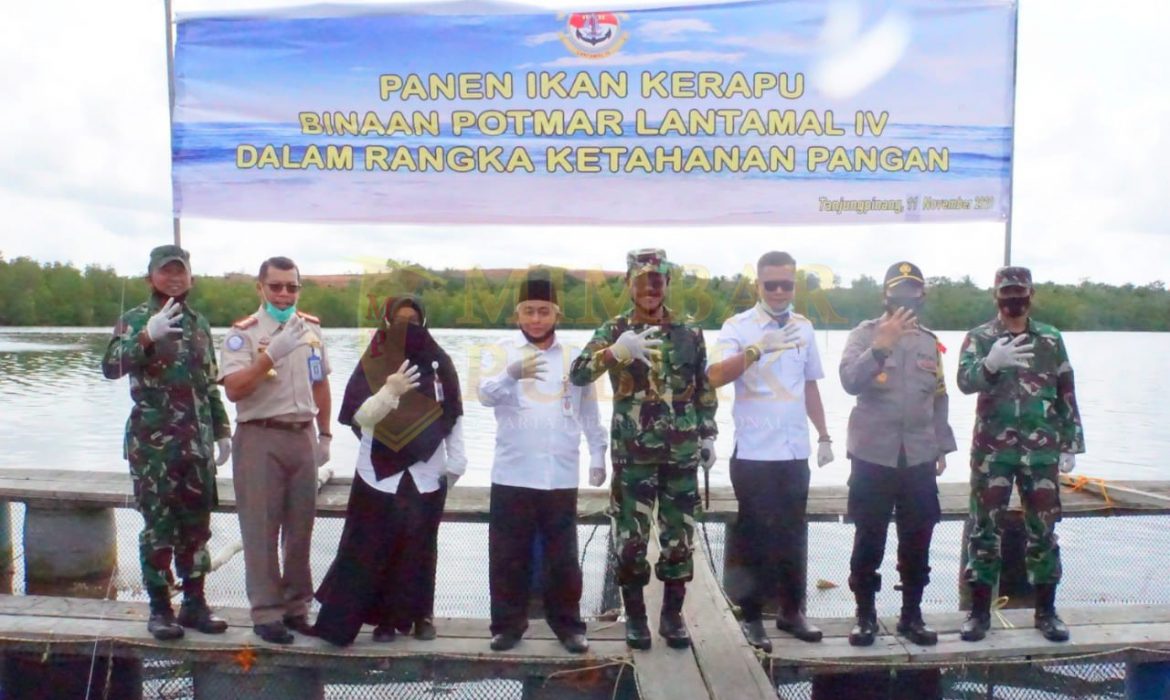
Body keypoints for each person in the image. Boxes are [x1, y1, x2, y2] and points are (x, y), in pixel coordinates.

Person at [569, 248, 718, 650]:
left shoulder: (690, 332)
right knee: (630, 541)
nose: (650, 289)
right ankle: (635, 617)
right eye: (642, 281)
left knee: (679, 540)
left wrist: (708, 435)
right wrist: (616, 351)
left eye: (657, 281)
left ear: (667, 284)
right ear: (629, 285)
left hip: (681, 455)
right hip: (632, 454)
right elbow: (579, 373)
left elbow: (703, 389)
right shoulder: (615, 328)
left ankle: (672, 617)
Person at [313, 295, 467, 647]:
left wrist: (456, 462)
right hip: (379, 470)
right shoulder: (375, 360)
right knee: (369, 546)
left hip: (427, 470)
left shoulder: (439, 362)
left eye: (414, 321)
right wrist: (388, 392)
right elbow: (360, 417)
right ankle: (380, 619)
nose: (407, 328)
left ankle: (419, 615)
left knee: (421, 545)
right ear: (386, 322)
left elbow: (453, 412)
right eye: (399, 321)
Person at [101, 244, 231, 640]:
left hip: (197, 443)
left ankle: (195, 603)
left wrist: (222, 429)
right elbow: (110, 367)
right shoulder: (135, 319)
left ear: (190, 277)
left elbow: (209, 383)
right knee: (158, 527)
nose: (174, 278)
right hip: (153, 444)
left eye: (181, 271)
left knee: (197, 526)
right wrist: (145, 337)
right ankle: (160, 608)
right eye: (166, 271)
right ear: (151, 277)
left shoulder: (200, 324)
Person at [705, 250, 833, 652]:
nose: (779, 291)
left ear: (795, 285)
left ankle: (791, 611)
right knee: (754, 536)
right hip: (754, 452)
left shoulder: (805, 328)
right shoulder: (737, 326)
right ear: (757, 285)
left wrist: (825, 435)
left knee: (793, 533)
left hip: (794, 450)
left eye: (786, 284)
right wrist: (757, 349)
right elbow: (713, 377)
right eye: (770, 284)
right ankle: (752, 617)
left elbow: (810, 384)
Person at [478, 272, 608, 654]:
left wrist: (598, 454)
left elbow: (589, 410)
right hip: (513, 470)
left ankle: (568, 626)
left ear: (557, 313)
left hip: (560, 471)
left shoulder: (573, 357)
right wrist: (510, 374)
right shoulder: (501, 350)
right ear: (517, 313)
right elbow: (485, 396)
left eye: (543, 311)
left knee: (563, 556)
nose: (536, 319)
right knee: (508, 554)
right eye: (529, 311)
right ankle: (506, 625)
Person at [956, 266, 1085, 643]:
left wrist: (1071, 442)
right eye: (1006, 294)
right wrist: (990, 364)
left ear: (1031, 295)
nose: (1014, 300)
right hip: (992, 451)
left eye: (1020, 293)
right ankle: (979, 614)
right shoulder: (980, 337)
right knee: (983, 530)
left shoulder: (1050, 338)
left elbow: (1066, 390)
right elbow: (964, 382)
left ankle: (1046, 612)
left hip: (1042, 448)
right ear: (995, 296)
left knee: (1043, 530)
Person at [838, 262, 956, 647]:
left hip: (919, 455)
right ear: (885, 295)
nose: (907, 297)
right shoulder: (863, 334)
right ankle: (865, 615)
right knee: (869, 534)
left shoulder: (928, 341)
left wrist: (942, 444)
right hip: (873, 453)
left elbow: (938, 395)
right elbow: (848, 381)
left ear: (922, 296)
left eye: (914, 290)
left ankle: (911, 615)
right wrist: (880, 346)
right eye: (899, 290)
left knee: (918, 535)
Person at [219, 256, 331, 644]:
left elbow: (320, 384)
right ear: (260, 288)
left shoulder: (311, 328)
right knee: (261, 529)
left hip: (301, 435)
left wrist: (326, 434)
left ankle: (297, 607)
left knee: (300, 529)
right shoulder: (243, 334)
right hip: (259, 436)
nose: (284, 294)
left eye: (292, 286)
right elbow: (233, 389)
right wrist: (270, 355)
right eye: (276, 286)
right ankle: (266, 613)